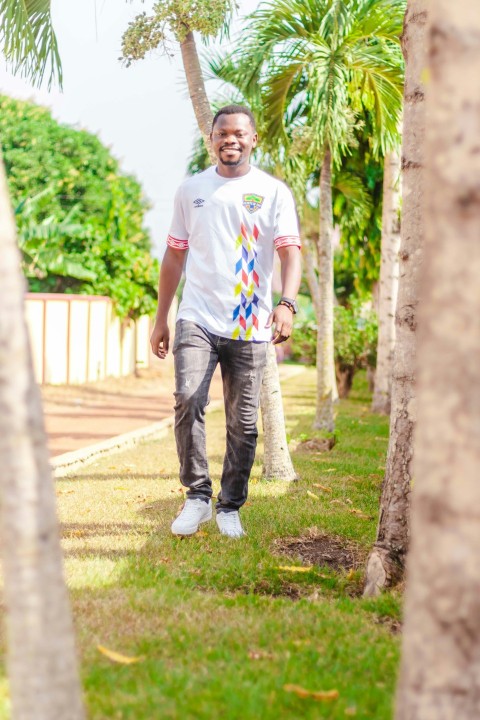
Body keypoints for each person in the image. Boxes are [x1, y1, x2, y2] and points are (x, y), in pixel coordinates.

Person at [150, 104, 301, 538]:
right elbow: (175, 255)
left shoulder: (273, 192)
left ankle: (230, 505)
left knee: (244, 420)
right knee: (187, 399)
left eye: (239, 134)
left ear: (254, 139)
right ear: (211, 140)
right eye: (222, 134)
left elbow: (291, 252)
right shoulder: (191, 190)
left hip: (250, 324)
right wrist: (162, 318)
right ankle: (196, 496)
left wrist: (287, 304)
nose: (230, 140)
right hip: (196, 316)